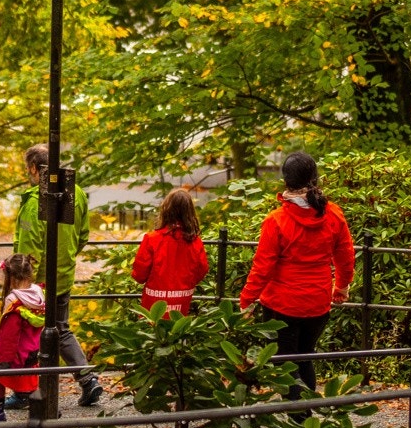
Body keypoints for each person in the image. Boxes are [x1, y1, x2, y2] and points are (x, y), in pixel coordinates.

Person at [237, 152, 355, 390]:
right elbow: (345, 256)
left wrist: (247, 300)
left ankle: (299, 419)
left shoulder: (276, 220)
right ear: (315, 178)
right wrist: (341, 286)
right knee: (305, 358)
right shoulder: (333, 214)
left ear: (285, 181)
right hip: (318, 302)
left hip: (282, 306)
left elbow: (263, 266)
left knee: (285, 365)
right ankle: (306, 418)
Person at [16, 144, 103, 408]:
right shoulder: (75, 192)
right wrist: (65, 258)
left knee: (27, 332)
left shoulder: (35, 201)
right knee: (61, 329)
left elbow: (30, 247)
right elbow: (84, 235)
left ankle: (25, 392)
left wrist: (23, 283)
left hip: (38, 281)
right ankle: (88, 379)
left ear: (33, 168)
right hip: (63, 276)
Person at [0, 253, 46, 423]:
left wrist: (3, 360)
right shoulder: (39, 293)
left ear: (11, 277)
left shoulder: (14, 301)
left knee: (0, 376)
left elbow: (9, 335)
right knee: (33, 380)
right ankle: (43, 408)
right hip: (33, 349)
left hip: (16, 352)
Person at [131, 188, 210, 314]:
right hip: (182, 299)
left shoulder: (152, 239)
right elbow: (202, 269)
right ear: (190, 213)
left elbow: (139, 274)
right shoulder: (195, 242)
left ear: (166, 210)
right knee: (178, 328)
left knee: (153, 329)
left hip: (154, 300)